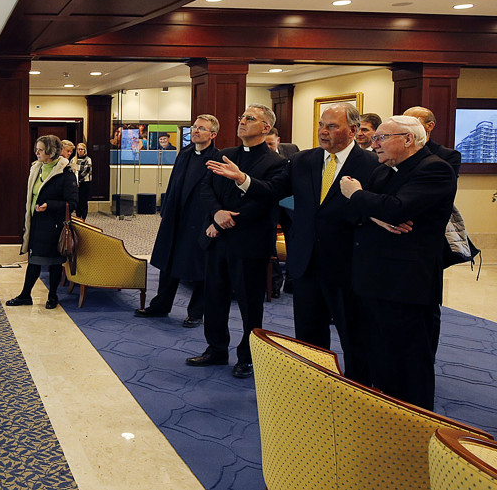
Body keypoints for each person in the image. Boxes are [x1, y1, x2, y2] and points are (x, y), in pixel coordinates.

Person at [208, 104, 380, 383]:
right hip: (306, 262)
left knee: (354, 336)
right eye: (322, 125)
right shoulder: (304, 160)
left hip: (348, 264)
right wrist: (243, 179)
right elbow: (272, 191)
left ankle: (356, 390)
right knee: (309, 335)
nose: (324, 131)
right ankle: (315, 384)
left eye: (332, 126)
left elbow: (377, 207)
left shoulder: (371, 165)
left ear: (353, 130)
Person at [340, 115, 456, 410]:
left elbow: (397, 208)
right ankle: (385, 413)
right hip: (373, 276)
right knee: (379, 352)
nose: (374, 144)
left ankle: (415, 422)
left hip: (407, 282)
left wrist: (358, 195)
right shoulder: (384, 171)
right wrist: (378, 214)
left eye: (381, 138)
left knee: (409, 358)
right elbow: (357, 215)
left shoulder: (435, 170)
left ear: (407, 139)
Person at [187, 104, 286, 378]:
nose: (242, 121)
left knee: (249, 303)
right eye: (242, 117)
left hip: (249, 242)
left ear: (266, 127)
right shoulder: (225, 154)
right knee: (214, 297)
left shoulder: (276, 163)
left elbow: (266, 199)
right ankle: (216, 349)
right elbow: (206, 188)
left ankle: (248, 356)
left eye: (250, 118)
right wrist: (217, 214)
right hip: (218, 239)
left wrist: (230, 219)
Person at [137, 114, 220, 327]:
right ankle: (161, 306)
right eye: (194, 127)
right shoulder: (184, 153)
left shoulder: (217, 158)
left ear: (212, 134)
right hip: (175, 217)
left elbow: (217, 194)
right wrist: (165, 209)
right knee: (168, 262)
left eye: (201, 128)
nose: (195, 131)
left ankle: (196, 313)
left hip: (199, 219)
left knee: (198, 266)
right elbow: (173, 183)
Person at [6, 135, 78, 310]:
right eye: (36, 149)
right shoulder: (36, 168)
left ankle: (52, 296)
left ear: (51, 152)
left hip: (53, 225)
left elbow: (73, 202)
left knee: (53, 262)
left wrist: (50, 205)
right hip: (36, 223)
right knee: (34, 260)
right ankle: (25, 295)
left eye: (40, 150)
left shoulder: (65, 173)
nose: (36, 152)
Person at [403, 106, 462, 177]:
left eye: (410, 123)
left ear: (430, 126)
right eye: (402, 123)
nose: (404, 127)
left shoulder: (448, 156)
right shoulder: (395, 151)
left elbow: (444, 185)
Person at [74, 143, 93, 220]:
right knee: (77, 201)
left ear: (85, 150)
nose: (80, 151)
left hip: (85, 182)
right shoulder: (74, 159)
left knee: (83, 201)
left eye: (82, 149)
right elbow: (73, 170)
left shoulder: (88, 159)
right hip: (76, 183)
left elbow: (86, 171)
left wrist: (78, 179)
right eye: (78, 149)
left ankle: (83, 218)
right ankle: (78, 217)